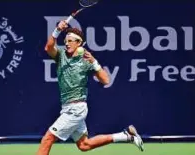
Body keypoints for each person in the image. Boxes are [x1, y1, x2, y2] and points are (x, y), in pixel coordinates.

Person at [37, 20, 144, 155]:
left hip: (76, 109)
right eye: (66, 40)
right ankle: (126, 136)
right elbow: (48, 48)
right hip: (67, 107)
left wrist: (94, 62)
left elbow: (105, 80)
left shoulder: (86, 61)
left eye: (71, 41)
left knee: (47, 139)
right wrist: (57, 30)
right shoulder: (60, 56)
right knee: (84, 145)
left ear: (79, 43)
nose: (67, 43)